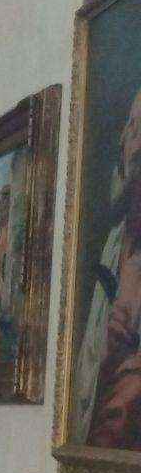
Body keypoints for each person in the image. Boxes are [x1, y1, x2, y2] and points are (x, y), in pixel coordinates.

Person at [74, 84, 141, 448]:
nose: (136, 144)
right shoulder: (115, 242)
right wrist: (105, 352)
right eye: (133, 129)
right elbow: (90, 360)